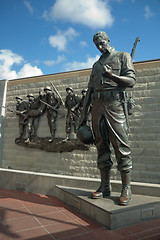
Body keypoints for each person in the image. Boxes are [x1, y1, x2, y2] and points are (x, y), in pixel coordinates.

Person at [80, 31, 136, 205]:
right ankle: (105, 186)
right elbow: (89, 90)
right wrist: (83, 117)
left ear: (108, 40)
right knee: (101, 147)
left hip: (115, 106)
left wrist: (112, 76)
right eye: (96, 44)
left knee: (121, 146)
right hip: (98, 107)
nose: (99, 46)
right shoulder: (96, 65)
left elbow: (131, 81)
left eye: (101, 42)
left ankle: (126, 188)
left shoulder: (122, 56)